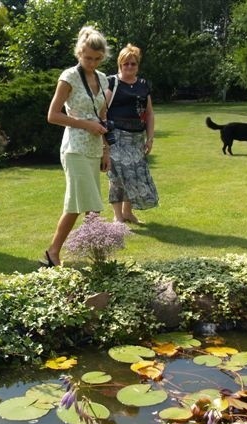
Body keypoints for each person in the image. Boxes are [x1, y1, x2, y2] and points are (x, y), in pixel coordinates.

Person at [43, 26, 111, 267]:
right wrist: (84, 124)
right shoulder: (69, 76)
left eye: (96, 59)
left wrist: (106, 150)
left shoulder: (103, 79)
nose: (91, 63)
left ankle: (53, 252)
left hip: (93, 148)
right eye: (87, 58)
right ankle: (98, 258)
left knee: (77, 204)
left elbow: (102, 117)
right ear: (79, 53)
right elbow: (52, 115)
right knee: (89, 204)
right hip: (74, 147)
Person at [106, 43, 158, 224]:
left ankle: (127, 213)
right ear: (120, 65)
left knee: (134, 175)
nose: (129, 67)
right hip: (116, 137)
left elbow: (149, 113)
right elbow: (102, 110)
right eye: (125, 63)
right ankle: (117, 216)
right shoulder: (112, 82)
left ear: (138, 65)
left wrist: (150, 138)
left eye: (133, 63)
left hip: (137, 138)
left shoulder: (143, 85)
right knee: (117, 175)